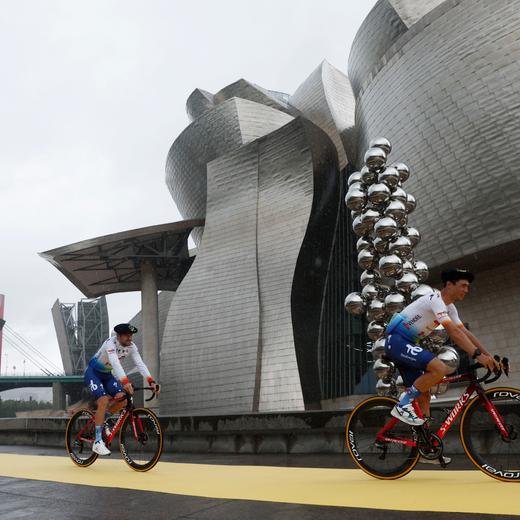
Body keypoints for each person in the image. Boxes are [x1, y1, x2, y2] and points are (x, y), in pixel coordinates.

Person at [384, 268, 499, 463]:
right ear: (449, 285)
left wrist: (489, 356)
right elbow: (453, 333)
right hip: (396, 341)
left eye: (468, 286)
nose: (466, 290)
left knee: (424, 395)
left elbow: (466, 334)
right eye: (463, 285)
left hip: (407, 344)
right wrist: (477, 356)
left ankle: (426, 447)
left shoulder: (450, 308)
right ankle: (403, 405)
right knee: (438, 368)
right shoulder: (435, 299)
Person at [84, 323, 160, 455]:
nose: (130, 338)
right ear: (118, 336)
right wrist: (125, 382)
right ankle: (97, 442)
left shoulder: (132, 347)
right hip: (93, 373)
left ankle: (104, 419)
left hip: (107, 375)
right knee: (103, 400)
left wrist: (151, 381)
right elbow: (114, 362)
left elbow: (140, 364)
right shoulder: (110, 344)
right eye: (127, 336)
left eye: (131, 335)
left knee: (123, 399)